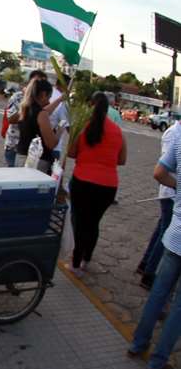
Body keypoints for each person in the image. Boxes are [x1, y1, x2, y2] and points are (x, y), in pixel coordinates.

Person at [128, 131, 181, 369]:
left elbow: (159, 172)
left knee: (159, 292)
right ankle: (158, 361)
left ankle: (138, 344)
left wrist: (178, 185)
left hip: (175, 235)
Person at [66, 92, 127, 277]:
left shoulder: (83, 126)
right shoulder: (118, 131)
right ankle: (86, 260)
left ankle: (75, 264)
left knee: (79, 221)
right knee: (93, 223)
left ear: (91, 105)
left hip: (82, 182)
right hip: (108, 186)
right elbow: (122, 160)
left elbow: (71, 153)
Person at [136, 113, 181, 289]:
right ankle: (149, 273)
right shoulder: (173, 133)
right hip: (170, 192)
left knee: (161, 229)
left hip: (173, 191)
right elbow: (165, 166)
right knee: (165, 235)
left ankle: (145, 264)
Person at [15, 79, 65, 170]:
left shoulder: (25, 109)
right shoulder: (41, 114)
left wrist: (59, 100)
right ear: (43, 94)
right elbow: (51, 144)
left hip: (20, 157)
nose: (49, 101)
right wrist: (59, 131)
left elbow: (45, 111)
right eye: (49, 97)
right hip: (36, 162)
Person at [3, 70, 47, 167]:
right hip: (14, 145)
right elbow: (11, 119)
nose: (40, 86)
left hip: (33, 148)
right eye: (37, 82)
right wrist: (28, 105)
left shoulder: (44, 101)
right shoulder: (18, 97)